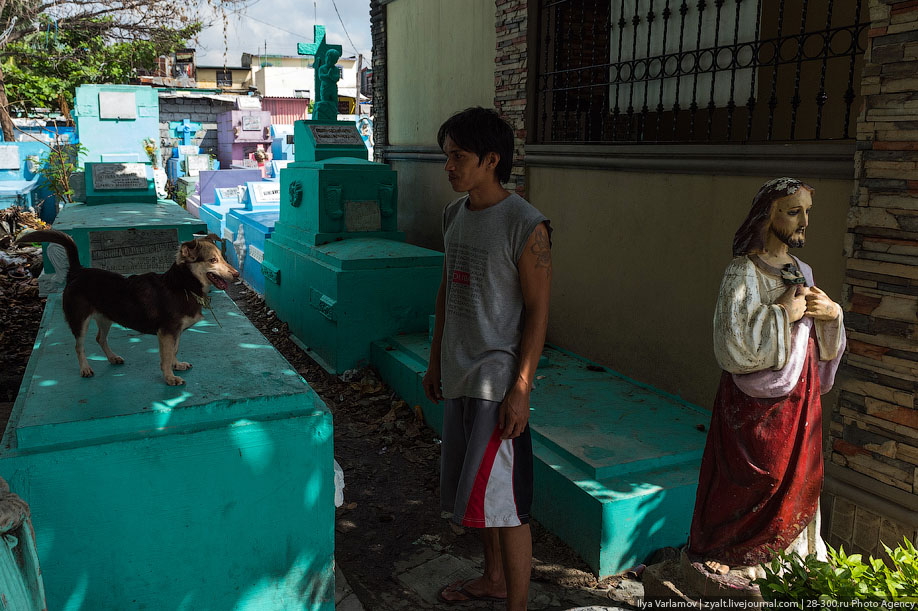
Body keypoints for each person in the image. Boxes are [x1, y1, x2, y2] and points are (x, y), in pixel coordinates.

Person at [422, 107, 551, 610]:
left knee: (509, 503)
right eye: (446, 156)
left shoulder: (526, 225)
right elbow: (444, 291)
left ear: (492, 160)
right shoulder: (454, 215)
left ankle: (516, 604)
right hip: (458, 373)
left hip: (497, 383)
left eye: (459, 156)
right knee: (478, 495)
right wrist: (435, 361)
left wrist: (521, 387)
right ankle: (493, 578)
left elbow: (539, 313)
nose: (448, 166)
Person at [688, 177, 846, 578]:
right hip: (751, 407)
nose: (804, 221)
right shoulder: (742, 272)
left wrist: (832, 316)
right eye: (794, 211)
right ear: (767, 215)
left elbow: (819, 337)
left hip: (800, 398)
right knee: (754, 477)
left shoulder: (802, 270)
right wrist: (784, 314)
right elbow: (730, 341)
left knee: (797, 477)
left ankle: (789, 555)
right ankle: (732, 548)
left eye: (807, 212)